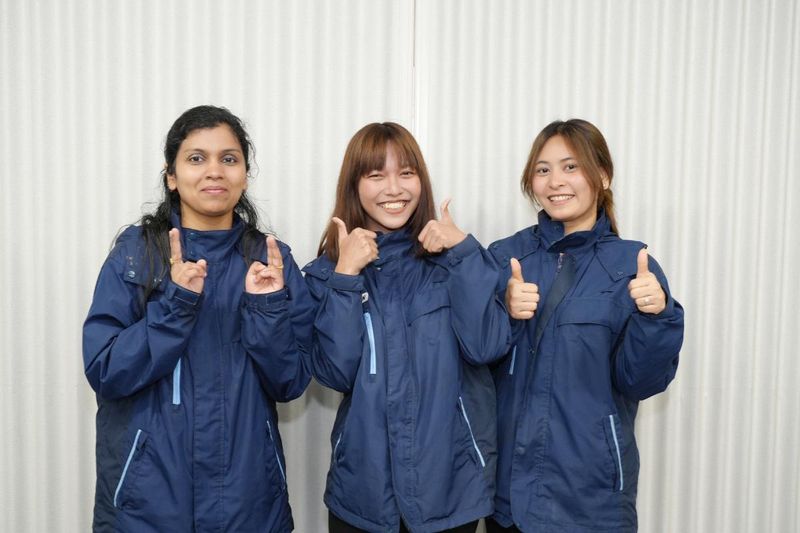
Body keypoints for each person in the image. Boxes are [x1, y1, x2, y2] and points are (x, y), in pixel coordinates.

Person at [83, 105, 313, 532]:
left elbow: (291, 382)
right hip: (147, 506)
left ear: (245, 175)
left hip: (249, 503)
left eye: (229, 158)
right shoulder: (135, 255)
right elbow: (106, 370)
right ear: (171, 176)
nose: (214, 171)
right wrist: (175, 304)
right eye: (196, 158)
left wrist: (266, 309)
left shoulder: (270, 261)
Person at [303, 122, 510, 533]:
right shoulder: (328, 272)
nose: (394, 189)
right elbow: (334, 373)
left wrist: (464, 252)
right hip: (362, 495)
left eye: (406, 173)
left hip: (450, 490)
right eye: (376, 175)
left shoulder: (454, 260)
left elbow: (486, 346)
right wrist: (346, 276)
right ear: (354, 185)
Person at [485, 119, 684, 532]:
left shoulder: (631, 266)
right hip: (510, 492)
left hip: (592, 497)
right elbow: (475, 359)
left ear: (603, 176)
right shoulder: (506, 257)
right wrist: (502, 309)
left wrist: (657, 316)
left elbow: (641, 382)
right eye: (543, 170)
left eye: (571, 167)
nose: (555, 181)